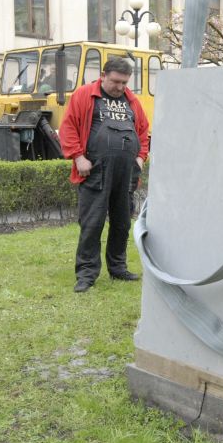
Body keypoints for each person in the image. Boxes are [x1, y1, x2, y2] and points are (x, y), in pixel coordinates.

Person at [59, 57, 149, 293]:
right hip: (96, 172)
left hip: (126, 174)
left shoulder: (132, 101)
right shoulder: (84, 96)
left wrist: (139, 159)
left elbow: (143, 132)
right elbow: (68, 128)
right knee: (92, 223)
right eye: (116, 81)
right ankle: (86, 274)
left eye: (124, 82)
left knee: (121, 224)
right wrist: (78, 157)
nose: (120, 87)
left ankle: (118, 268)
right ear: (103, 75)